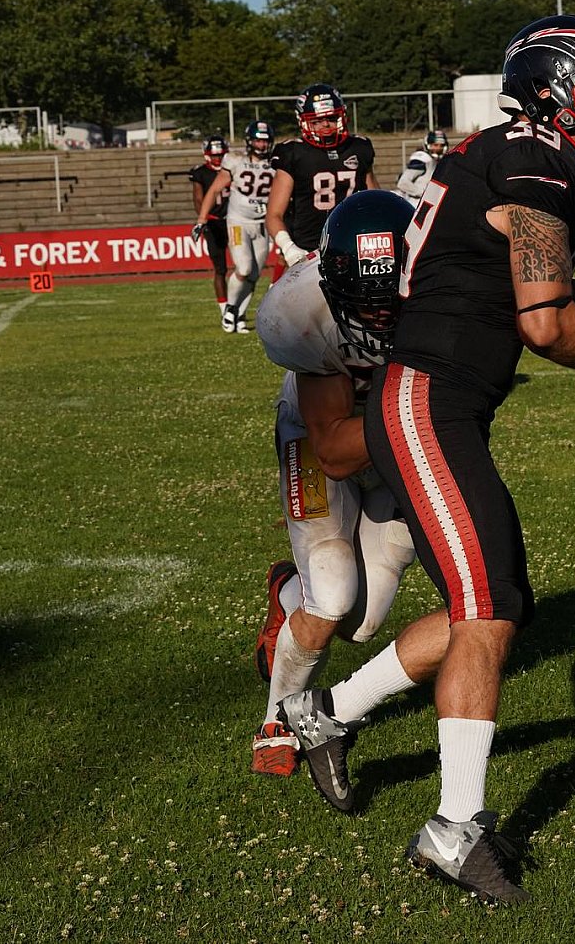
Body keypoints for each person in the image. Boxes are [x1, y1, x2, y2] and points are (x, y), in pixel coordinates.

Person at [277, 15, 575, 906]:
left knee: (497, 600)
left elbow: (512, 279)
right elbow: (543, 323)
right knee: (486, 608)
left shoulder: (502, 152)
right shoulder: (539, 164)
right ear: (556, 90)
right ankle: (455, 828)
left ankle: (325, 714)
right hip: (428, 401)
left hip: (437, 402)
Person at [250, 191, 420, 786]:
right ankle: (276, 720)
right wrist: (423, 421)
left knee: (360, 624)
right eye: (362, 298)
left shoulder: (443, 285)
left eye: (389, 295)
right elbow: (334, 452)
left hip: (397, 433)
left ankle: (285, 593)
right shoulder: (298, 312)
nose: (378, 314)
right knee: (331, 593)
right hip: (321, 437)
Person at [264, 83, 381, 269]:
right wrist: (289, 248)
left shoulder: (358, 147)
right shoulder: (293, 152)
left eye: (331, 118)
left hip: (354, 243)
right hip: (308, 247)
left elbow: (375, 200)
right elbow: (273, 215)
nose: (326, 124)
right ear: (303, 122)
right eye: (317, 121)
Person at [196, 120, 276, 334]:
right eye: (258, 140)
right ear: (249, 141)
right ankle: (230, 309)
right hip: (239, 221)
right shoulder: (235, 161)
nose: (262, 145)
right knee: (244, 268)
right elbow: (213, 190)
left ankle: (239, 315)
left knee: (254, 275)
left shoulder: (276, 162)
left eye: (265, 141)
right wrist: (202, 219)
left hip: (263, 223)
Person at [189, 137, 231, 324]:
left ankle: (236, 307)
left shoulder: (232, 169)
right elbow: (198, 200)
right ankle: (224, 309)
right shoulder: (200, 173)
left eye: (220, 155)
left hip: (234, 221)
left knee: (244, 267)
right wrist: (203, 220)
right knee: (220, 268)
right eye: (214, 155)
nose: (218, 159)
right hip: (214, 222)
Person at [397, 130, 449, 203]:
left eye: (441, 145)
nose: (438, 148)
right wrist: (423, 193)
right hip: (416, 204)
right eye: (435, 145)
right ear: (428, 145)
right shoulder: (423, 159)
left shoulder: (442, 162)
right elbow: (403, 183)